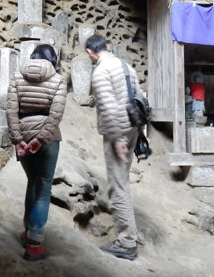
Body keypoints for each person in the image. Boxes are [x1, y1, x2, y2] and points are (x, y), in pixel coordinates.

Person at [6, 44, 67, 261]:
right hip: (48, 140)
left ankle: (27, 229)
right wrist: (40, 140)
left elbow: (11, 110)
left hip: (23, 131)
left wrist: (19, 140)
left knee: (32, 181)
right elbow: (56, 114)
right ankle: (34, 243)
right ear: (52, 58)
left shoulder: (16, 76)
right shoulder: (58, 79)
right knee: (43, 187)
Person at [85, 34, 142, 261]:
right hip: (133, 129)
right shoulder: (125, 65)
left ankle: (127, 242)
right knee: (123, 182)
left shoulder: (100, 72)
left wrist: (117, 139)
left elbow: (108, 108)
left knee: (117, 187)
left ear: (91, 52)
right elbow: (138, 97)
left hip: (117, 132)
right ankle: (129, 235)